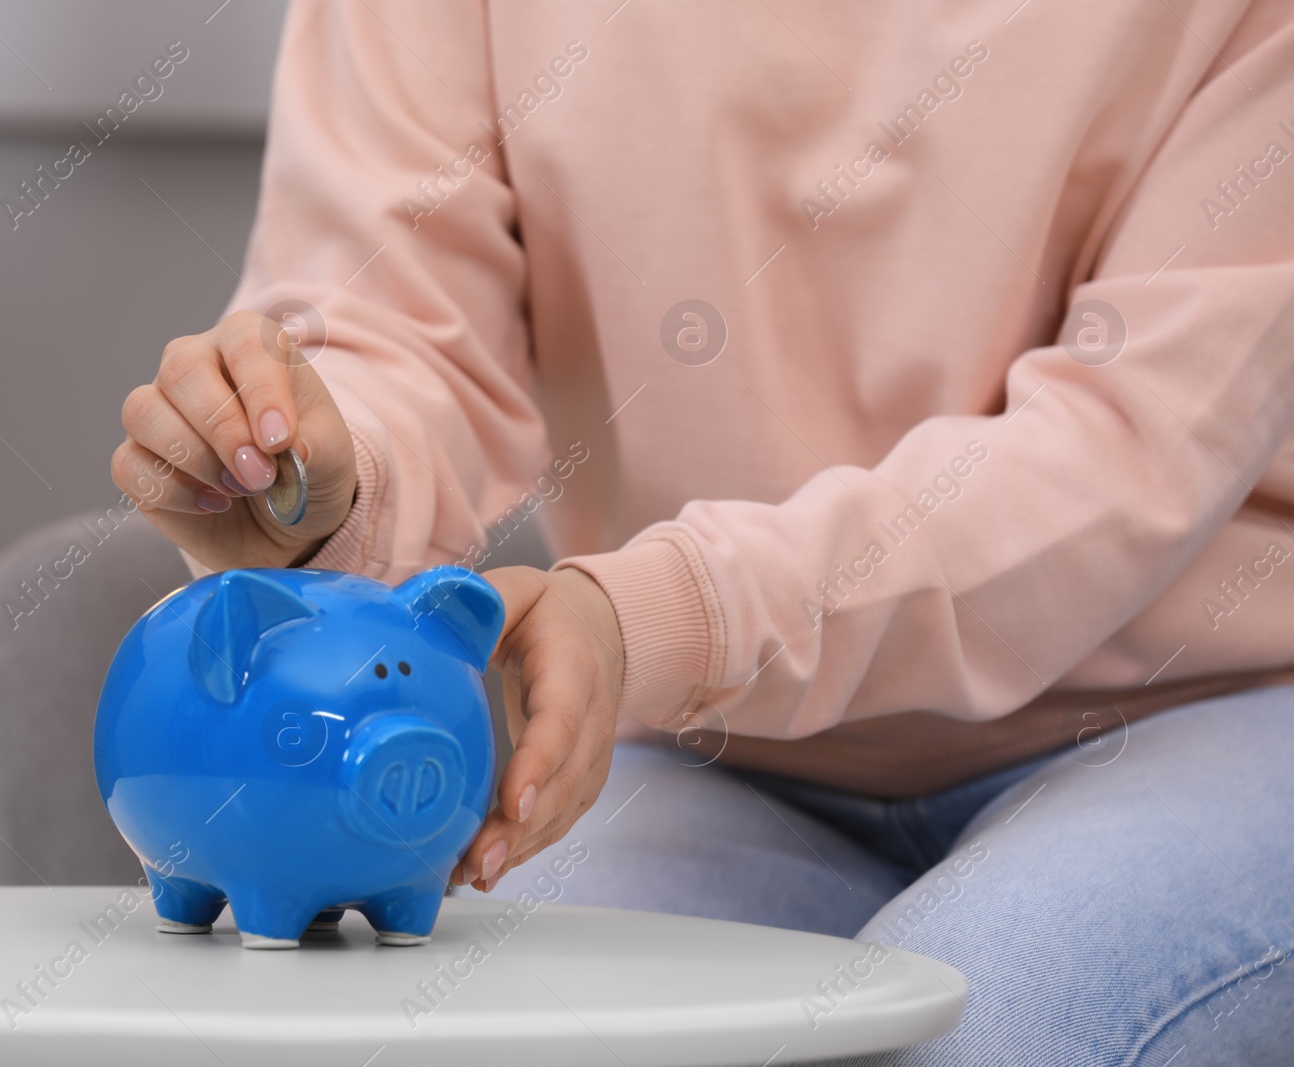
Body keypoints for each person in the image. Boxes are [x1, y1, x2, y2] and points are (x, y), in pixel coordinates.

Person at [111, 1, 1294, 1061]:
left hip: (1201, 713)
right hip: (709, 738)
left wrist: (664, 615)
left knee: (979, 1027)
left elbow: (1121, 452)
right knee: (486, 1030)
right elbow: (397, 326)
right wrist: (320, 475)